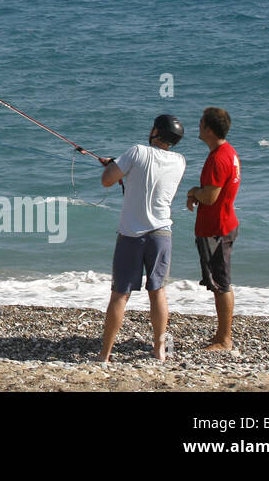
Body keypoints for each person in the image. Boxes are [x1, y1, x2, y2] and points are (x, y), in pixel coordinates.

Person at [97, 114, 187, 362]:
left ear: (156, 133)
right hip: (162, 234)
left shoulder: (137, 152)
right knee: (157, 291)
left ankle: (105, 355)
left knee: (120, 294)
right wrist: (120, 167)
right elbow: (150, 179)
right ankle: (159, 351)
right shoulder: (180, 161)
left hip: (131, 235)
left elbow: (107, 180)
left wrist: (114, 166)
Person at [186, 106, 240, 351]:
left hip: (216, 229)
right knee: (219, 281)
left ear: (208, 128)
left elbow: (210, 197)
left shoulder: (218, 157)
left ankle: (224, 339)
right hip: (224, 224)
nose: (198, 126)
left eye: (200, 123)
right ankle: (221, 334)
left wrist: (193, 192)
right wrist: (201, 192)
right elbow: (215, 193)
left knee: (220, 283)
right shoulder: (228, 153)